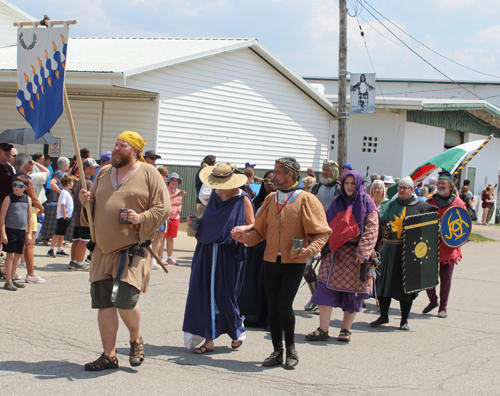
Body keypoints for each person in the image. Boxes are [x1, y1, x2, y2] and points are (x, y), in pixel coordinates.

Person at [79, 131, 170, 371]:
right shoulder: (105, 172)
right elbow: (94, 210)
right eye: (116, 145)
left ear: (135, 150)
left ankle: (135, 339)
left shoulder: (149, 172)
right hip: (101, 250)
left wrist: (141, 217)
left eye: (123, 146)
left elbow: (163, 207)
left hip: (131, 250)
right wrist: (85, 202)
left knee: (125, 301)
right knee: (104, 303)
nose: (117, 149)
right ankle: (108, 355)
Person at [231, 157, 331, 369]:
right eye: (274, 172)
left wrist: (309, 250)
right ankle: (277, 351)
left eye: (277, 172)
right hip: (270, 260)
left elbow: (322, 233)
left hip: (294, 262)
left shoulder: (307, 199)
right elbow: (259, 231)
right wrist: (246, 238)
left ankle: (291, 348)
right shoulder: (270, 199)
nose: (273, 175)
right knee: (274, 308)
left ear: (290, 174)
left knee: (284, 304)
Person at [183, 163, 254, 354]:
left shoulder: (242, 198)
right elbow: (208, 219)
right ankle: (209, 340)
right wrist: (194, 223)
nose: (217, 187)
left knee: (225, 295)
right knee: (206, 294)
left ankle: (237, 329)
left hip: (229, 253)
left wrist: (243, 229)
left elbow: (254, 225)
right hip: (206, 250)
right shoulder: (214, 195)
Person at [306, 170, 378, 343]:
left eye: (353, 183)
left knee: (352, 294)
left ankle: (345, 330)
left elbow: (372, 228)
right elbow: (325, 226)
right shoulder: (337, 202)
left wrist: (364, 251)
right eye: (347, 183)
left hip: (356, 256)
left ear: (359, 184)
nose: (349, 187)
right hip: (334, 253)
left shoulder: (367, 203)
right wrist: (317, 247)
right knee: (323, 288)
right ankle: (323, 329)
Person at [370, 176, 437, 331]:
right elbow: (378, 230)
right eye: (400, 188)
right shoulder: (387, 206)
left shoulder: (421, 207)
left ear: (412, 190)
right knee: (383, 285)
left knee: (407, 287)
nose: (401, 190)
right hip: (388, 251)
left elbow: (433, 224)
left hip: (409, 254)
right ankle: (384, 316)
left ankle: (404, 320)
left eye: (405, 188)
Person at [423, 171, 467, 318]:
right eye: (439, 183)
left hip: (448, 246)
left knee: (446, 277)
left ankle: (443, 307)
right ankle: (433, 300)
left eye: (444, 183)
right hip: (431, 244)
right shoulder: (431, 201)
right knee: (426, 275)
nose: (440, 185)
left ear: (451, 185)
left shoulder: (458, 203)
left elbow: (464, 224)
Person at [303, 160, 342, 311]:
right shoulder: (316, 187)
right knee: (306, 268)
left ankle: (322, 301)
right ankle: (315, 297)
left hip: (330, 234)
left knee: (325, 271)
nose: (325, 172)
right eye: (323, 169)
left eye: (328, 170)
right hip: (311, 232)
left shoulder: (339, 189)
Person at [238, 170, 274, 328]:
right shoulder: (256, 201)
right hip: (255, 246)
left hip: (271, 246)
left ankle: (268, 318)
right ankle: (251, 316)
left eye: (273, 180)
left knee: (267, 282)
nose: (269, 184)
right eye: (266, 180)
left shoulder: (280, 202)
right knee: (252, 281)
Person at [13, 154, 46, 284]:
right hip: (28, 211)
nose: (32, 165)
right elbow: (33, 198)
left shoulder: (15, 177)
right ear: (24, 164)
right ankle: (31, 273)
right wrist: (42, 209)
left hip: (16, 211)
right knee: (29, 244)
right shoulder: (27, 179)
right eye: (30, 162)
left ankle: (13, 271)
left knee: (20, 243)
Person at [0, 175, 32, 290]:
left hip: (21, 230)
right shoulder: (8, 198)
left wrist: (29, 233)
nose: (16, 187)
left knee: (18, 255)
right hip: (10, 229)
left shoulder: (27, 199)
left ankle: (12, 278)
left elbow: (30, 217)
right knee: (10, 255)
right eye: (14, 185)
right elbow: (2, 216)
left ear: (25, 187)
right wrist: (3, 233)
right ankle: (8, 281)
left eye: (19, 186)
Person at [70, 158, 99, 271]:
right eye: (93, 167)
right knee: (84, 239)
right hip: (83, 214)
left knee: (77, 239)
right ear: (85, 168)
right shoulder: (87, 182)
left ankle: (74, 261)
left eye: (96, 167)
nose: (95, 169)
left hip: (77, 213)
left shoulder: (81, 181)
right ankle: (80, 262)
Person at [40, 157, 70, 243]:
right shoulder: (59, 173)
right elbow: (52, 183)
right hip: (56, 201)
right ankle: (47, 237)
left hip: (56, 200)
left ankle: (49, 237)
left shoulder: (60, 172)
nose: (68, 166)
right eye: (68, 164)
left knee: (55, 221)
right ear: (65, 165)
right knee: (55, 221)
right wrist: (61, 192)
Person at [47, 175, 76, 258]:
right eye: (72, 182)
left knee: (62, 234)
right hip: (63, 217)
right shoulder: (64, 193)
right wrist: (64, 216)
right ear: (68, 183)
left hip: (66, 216)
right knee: (58, 233)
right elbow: (62, 205)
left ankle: (60, 249)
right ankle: (51, 250)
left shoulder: (67, 192)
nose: (73, 184)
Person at [165, 172, 185, 265]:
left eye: (176, 181)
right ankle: (159, 257)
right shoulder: (165, 189)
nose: (174, 182)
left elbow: (179, 203)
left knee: (171, 238)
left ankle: (170, 257)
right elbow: (163, 201)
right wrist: (174, 204)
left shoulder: (179, 191)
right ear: (169, 181)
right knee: (161, 238)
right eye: (173, 180)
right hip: (166, 216)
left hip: (175, 217)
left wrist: (179, 208)